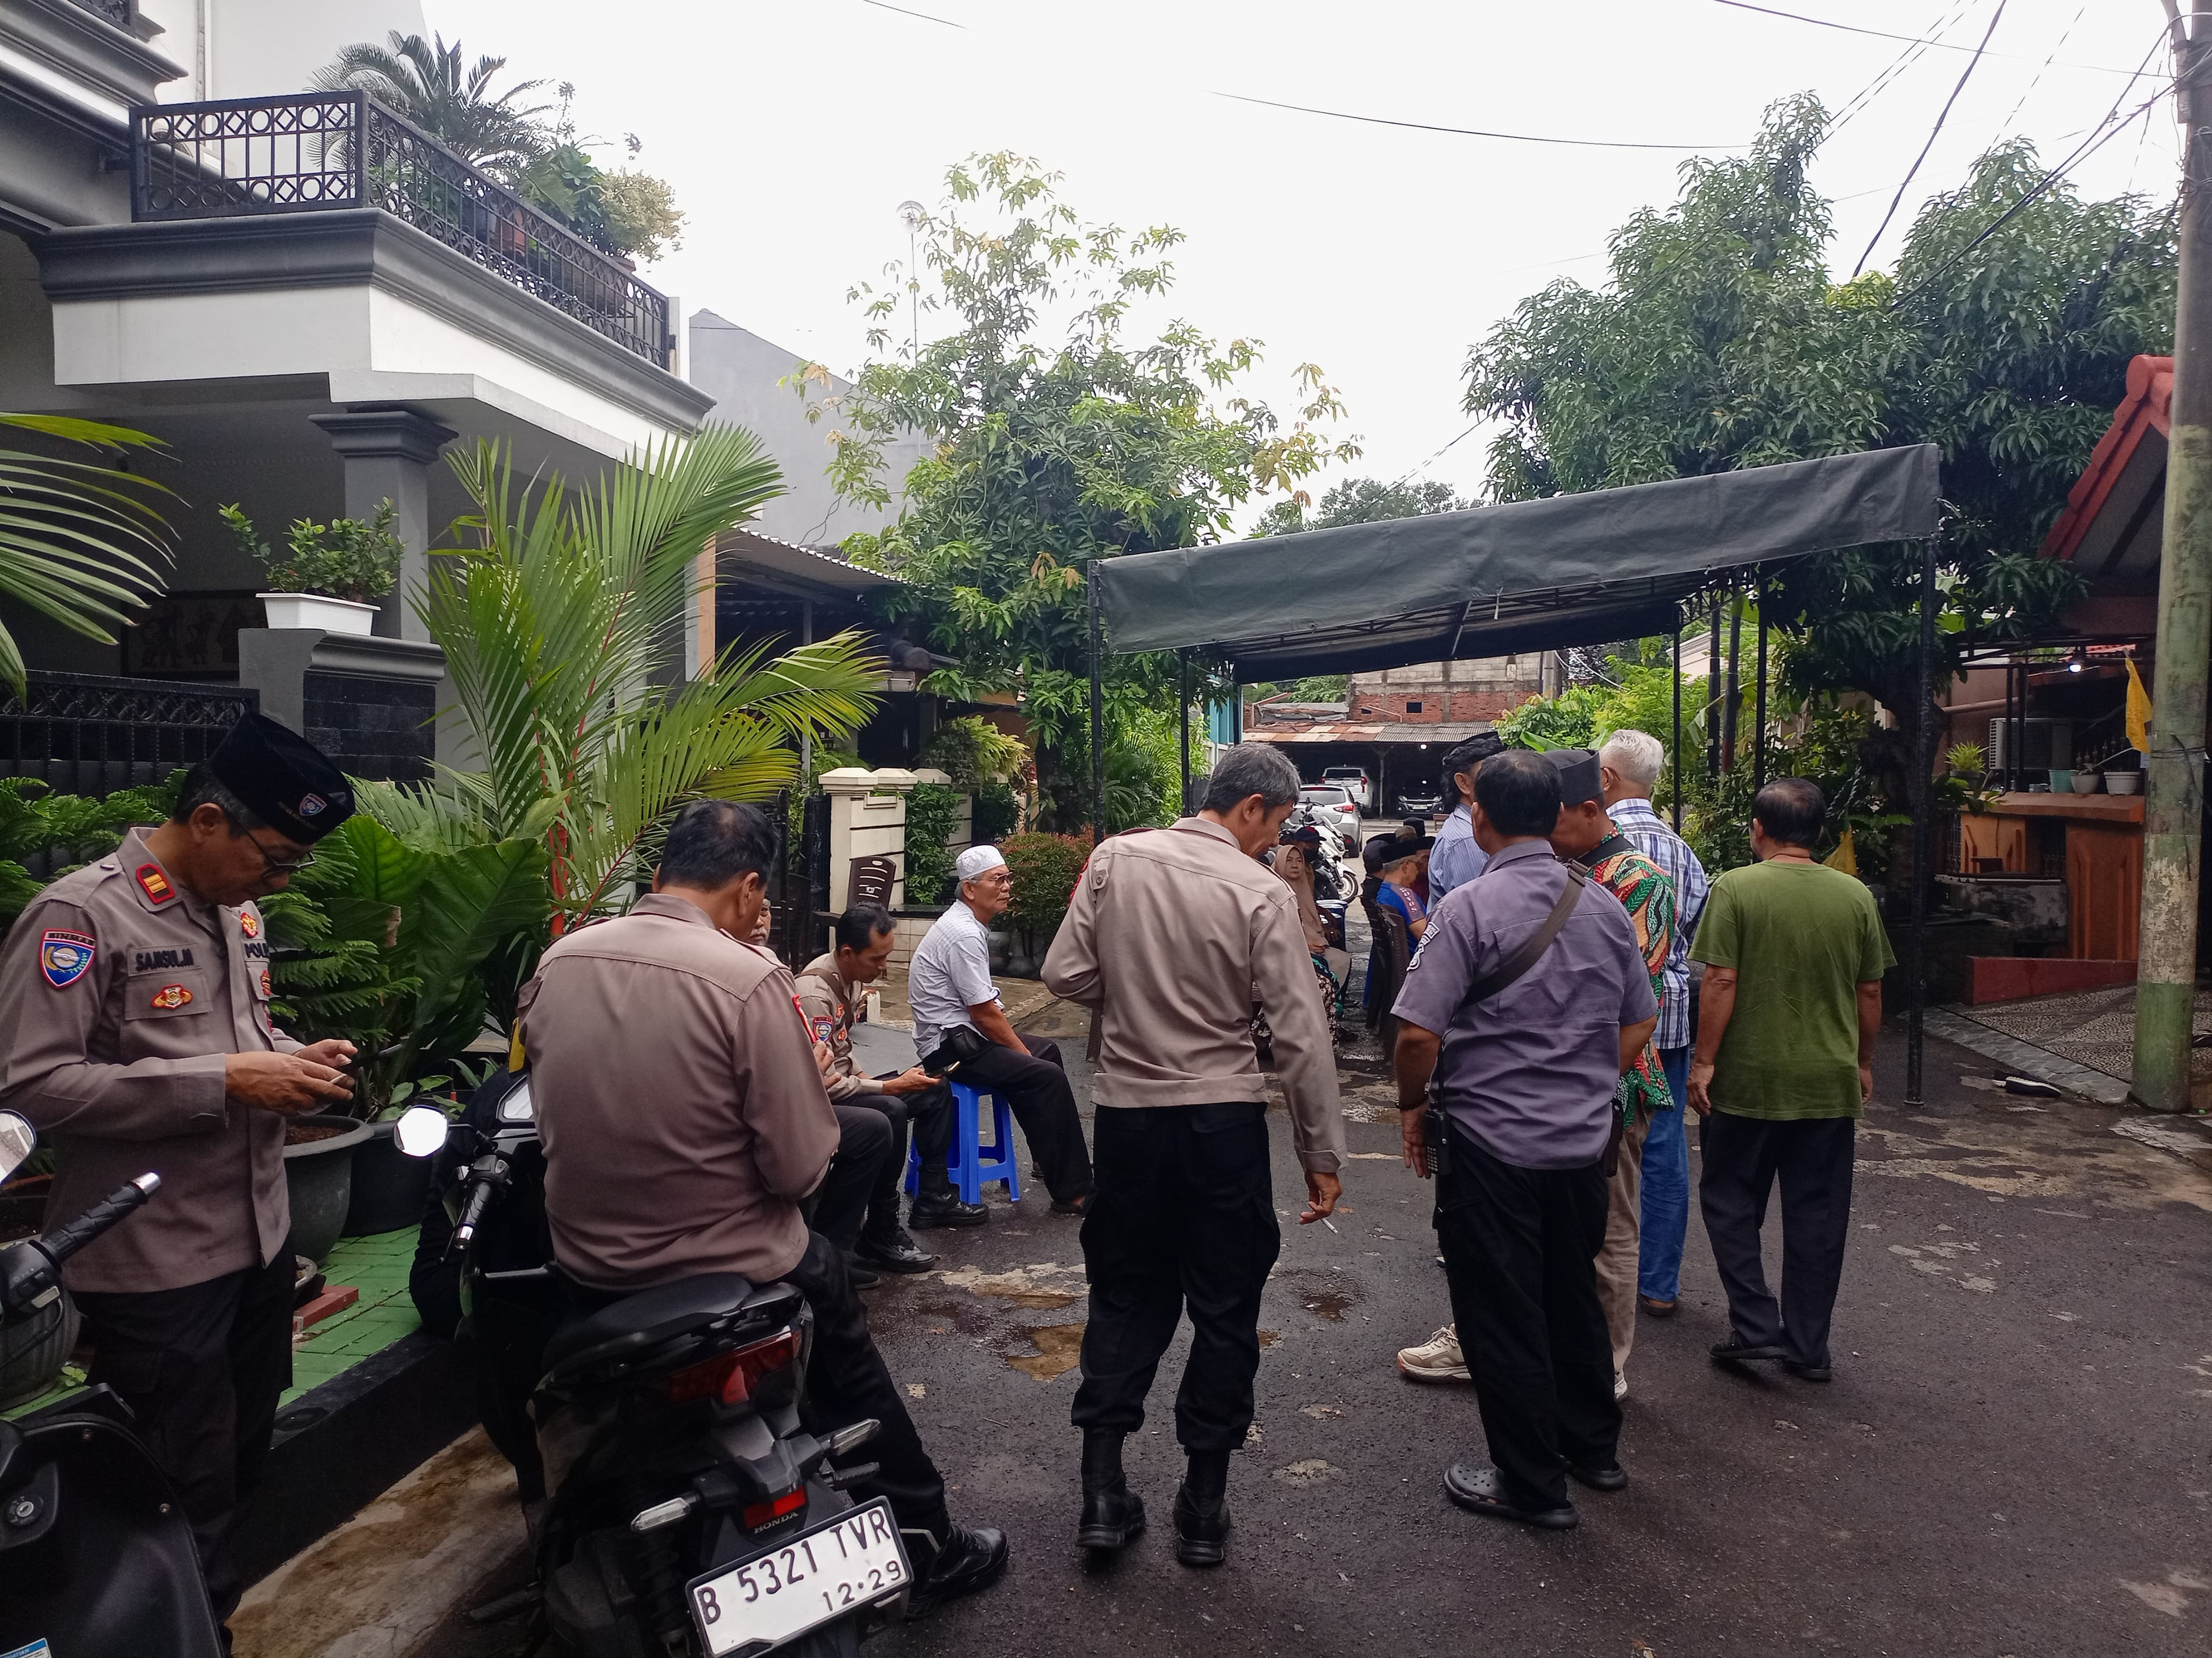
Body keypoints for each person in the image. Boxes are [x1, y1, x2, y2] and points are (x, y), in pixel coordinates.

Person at [516, 800, 1007, 1614]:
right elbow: (798, 1160)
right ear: (749, 888)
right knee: (852, 1369)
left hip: (594, 1272)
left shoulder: (558, 960)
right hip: (739, 1264)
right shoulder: (748, 979)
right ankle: (928, 1538)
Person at [0, 712, 362, 1636]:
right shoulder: (80, 914)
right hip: (155, 1262)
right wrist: (228, 1078)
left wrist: (290, 1056)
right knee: (173, 1479)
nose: (279, 880)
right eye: (273, 856)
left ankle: (208, 1620)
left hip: (259, 1240)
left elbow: (237, 1038)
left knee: (237, 1462)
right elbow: (32, 1084)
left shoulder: (235, 907)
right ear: (208, 820)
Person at [1042, 742, 1345, 1567]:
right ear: (1252, 807)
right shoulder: (1259, 891)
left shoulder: (1114, 858)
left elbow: (1063, 971)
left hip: (1130, 1119)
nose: (1272, 841)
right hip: (1221, 1124)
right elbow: (1299, 1033)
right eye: (1275, 824)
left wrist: (1136, 992)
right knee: (1225, 1308)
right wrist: (1322, 1149)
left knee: (1124, 1295)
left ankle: (1102, 1492)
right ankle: (1203, 1508)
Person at [1392, 748, 1657, 1530]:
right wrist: (1580, 1077)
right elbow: (1640, 1019)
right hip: (1583, 1145)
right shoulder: (1605, 907)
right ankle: (1594, 1451)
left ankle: (1533, 1483)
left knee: (1502, 1311)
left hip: (1492, 1144)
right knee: (1572, 1292)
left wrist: (1412, 1107)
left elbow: (1416, 1033)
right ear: (1557, 814)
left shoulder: (1469, 908)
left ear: (1480, 817)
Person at [1690, 777, 1891, 1383]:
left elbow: (1719, 980)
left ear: (1757, 828)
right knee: (1816, 1214)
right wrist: (1860, 1060)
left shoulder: (1735, 887)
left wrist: (1703, 1062)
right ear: (1820, 833)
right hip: (1825, 1082)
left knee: (1729, 1200)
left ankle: (1754, 1324)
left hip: (1747, 1078)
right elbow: (1871, 988)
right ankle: (1807, 1346)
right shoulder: (1853, 896)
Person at [1543, 749, 1675, 1402]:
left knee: (1610, 1229)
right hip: (1546, 1078)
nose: (1541, 829)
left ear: (1590, 810)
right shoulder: (1556, 863)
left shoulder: (1637, 878)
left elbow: (1632, 1004)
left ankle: (1607, 1363)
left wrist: (1595, 1083)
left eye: (1553, 817)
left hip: (1610, 1080)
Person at [796, 905, 984, 1270]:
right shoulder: (815, 994)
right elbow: (825, 1084)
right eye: (877, 959)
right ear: (848, 953)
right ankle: (874, 1230)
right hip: (816, 1101)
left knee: (933, 1089)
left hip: (843, 1083)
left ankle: (933, 1196)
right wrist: (888, 1088)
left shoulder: (849, 977)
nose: (883, 968)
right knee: (891, 1111)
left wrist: (890, 1083)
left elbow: (843, 1053)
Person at [908, 844, 1093, 1213]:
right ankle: (1073, 1191)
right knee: (1044, 1074)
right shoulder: (962, 934)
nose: (1008, 886)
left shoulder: (967, 925)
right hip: (951, 1051)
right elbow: (986, 1016)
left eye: (1008, 878)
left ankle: (1048, 1156)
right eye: (999, 879)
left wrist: (1024, 1054)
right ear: (970, 888)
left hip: (966, 1038)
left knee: (1048, 1052)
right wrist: (1020, 1055)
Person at [1597, 729, 1710, 1319]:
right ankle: (1657, 1281)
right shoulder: (1678, 846)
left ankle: (1603, 1261)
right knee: (1665, 1142)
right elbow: (1691, 925)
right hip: (1669, 1007)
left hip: (1618, 1015)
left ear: (1608, 779)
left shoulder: (1606, 847)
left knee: (1609, 1137)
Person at [1265, 835, 1345, 1045]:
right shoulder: (1274, 890)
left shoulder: (1302, 884)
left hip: (1305, 945)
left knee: (1339, 961)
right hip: (1283, 953)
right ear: (1281, 863)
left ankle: (1324, 1025)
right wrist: (1304, 944)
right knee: (1327, 975)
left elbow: (1309, 919)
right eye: (1289, 861)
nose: (1294, 865)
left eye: (1298, 861)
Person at [1427, 731, 1504, 903]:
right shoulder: (1468, 840)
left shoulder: (1477, 828)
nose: (1504, 779)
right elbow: (1485, 912)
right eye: (1490, 772)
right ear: (1463, 783)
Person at [1365, 835, 1432, 941]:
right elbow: (1426, 935)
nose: (1418, 870)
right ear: (1406, 866)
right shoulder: (1405, 895)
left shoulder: (1384, 891)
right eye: (1416, 865)